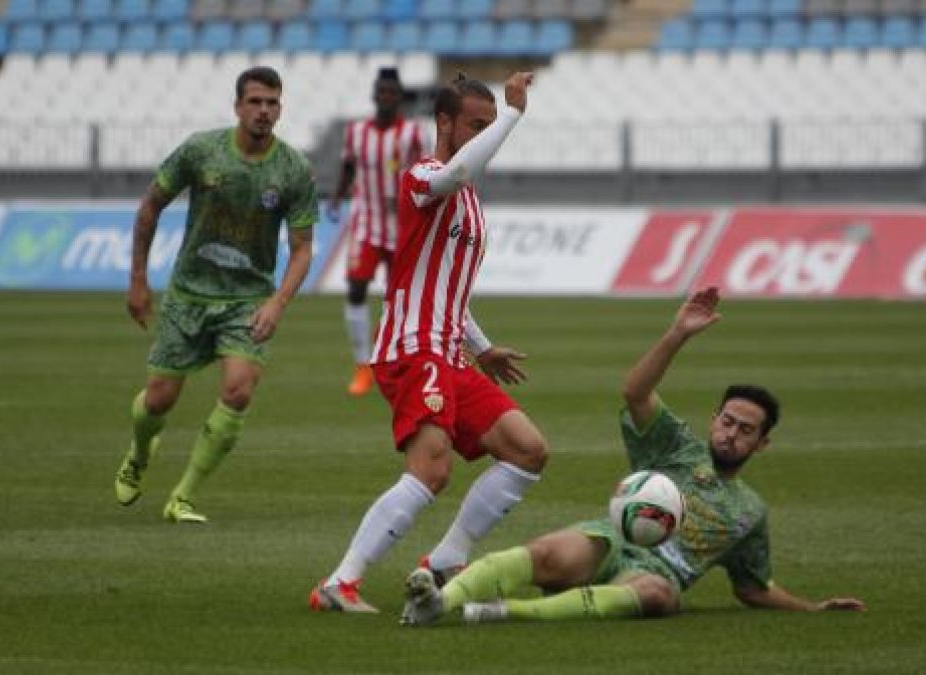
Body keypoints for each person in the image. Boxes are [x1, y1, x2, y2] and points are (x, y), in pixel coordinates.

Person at [400, 287, 867, 624]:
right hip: (612, 537)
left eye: (745, 430)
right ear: (713, 420)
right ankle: (439, 600)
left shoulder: (749, 513)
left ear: (761, 444)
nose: (731, 434)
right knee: (543, 553)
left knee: (657, 595)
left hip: (659, 573)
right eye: (726, 421)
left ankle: (500, 613)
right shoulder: (678, 447)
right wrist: (678, 334)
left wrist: (812, 608)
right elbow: (636, 391)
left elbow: (752, 587)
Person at [309, 72, 549, 613]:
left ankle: (442, 562)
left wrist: (482, 347)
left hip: (449, 351)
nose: (486, 134)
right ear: (444, 122)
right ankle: (339, 583)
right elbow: (460, 167)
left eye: (490, 124)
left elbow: (448, 289)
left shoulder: (470, 200)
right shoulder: (425, 174)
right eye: (477, 124)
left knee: (527, 451)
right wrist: (513, 114)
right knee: (432, 469)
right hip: (412, 347)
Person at [114, 66, 317, 524]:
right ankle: (140, 453)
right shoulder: (201, 150)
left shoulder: (294, 169)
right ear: (238, 107)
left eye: (273, 103)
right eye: (256, 102)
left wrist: (277, 303)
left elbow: (303, 249)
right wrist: (138, 280)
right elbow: (150, 207)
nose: (264, 111)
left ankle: (182, 497)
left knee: (239, 390)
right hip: (189, 295)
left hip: (248, 300)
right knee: (159, 400)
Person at [329, 67, 427, 396]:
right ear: (374, 95)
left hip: (403, 227)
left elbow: (427, 170)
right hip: (366, 223)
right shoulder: (356, 132)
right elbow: (347, 166)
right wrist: (336, 197)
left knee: (399, 297)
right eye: (381, 92)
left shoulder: (413, 133)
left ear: (399, 97)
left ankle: (388, 360)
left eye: (391, 92)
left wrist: (416, 203)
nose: (385, 97)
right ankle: (362, 366)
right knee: (356, 289)